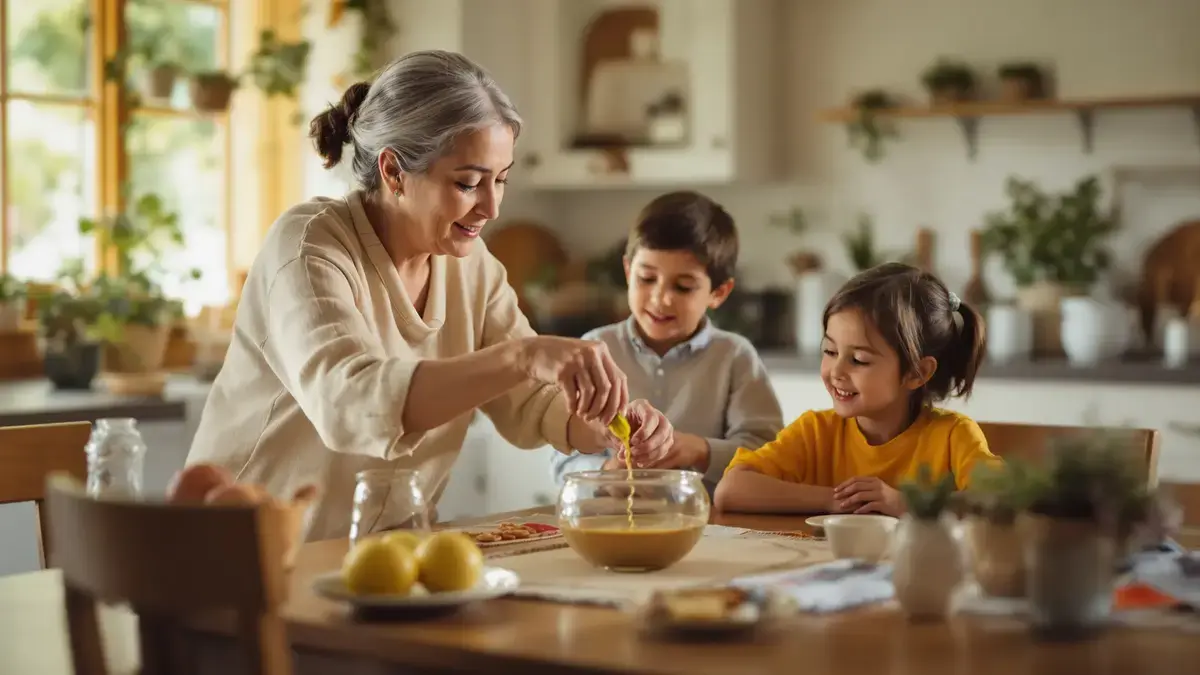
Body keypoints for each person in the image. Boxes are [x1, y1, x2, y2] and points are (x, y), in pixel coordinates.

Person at [185, 50, 674, 541]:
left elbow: (535, 403)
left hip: (390, 555)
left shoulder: (472, 266)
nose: (491, 207)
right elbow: (349, 405)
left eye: (500, 180)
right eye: (467, 183)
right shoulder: (309, 247)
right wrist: (523, 355)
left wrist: (608, 424)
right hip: (246, 553)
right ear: (394, 171)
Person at [713, 262, 999, 517]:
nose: (836, 372)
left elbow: (1000, 499)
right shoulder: (815, 432)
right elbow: (730, 490)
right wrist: (834, 499)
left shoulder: (952, 436)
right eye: (829, 350)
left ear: (917, 373)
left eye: (859, 360)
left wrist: (905, 504)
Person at [550, 191, 784, 496]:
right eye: (647, 279)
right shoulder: (594, 349)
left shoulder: (734, 357)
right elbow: (563, 461)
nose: (661, 299)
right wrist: (606, 475)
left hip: (709, 528)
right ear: (627, 271)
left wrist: (698, 450)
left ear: (719, 292)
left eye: (683, 286)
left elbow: (769, 455)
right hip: (612, 525)